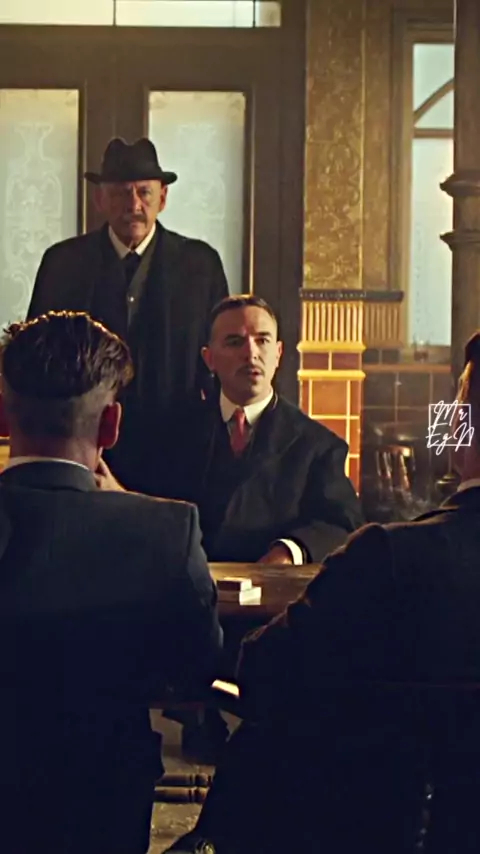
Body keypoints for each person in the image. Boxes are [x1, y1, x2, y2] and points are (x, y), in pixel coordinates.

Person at [167, 332, 480, 854]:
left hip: (385, 826)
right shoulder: (178, 434)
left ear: (461, 426)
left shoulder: (388, 557)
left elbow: (264, 670)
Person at [0, 311, 222, 854]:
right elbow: (196, 668)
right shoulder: (164, 531)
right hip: (100, 798)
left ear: (2, 416)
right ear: (110, 425)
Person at [27, 137, 229, 494]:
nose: (133, 205)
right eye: (121, 194)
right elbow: (35, 358)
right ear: (100, 199)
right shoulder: (63, 263)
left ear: (162, 198)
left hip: (176, 447)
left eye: (144, 193)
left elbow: (218, 362)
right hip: (83, 447)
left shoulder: (200, 265)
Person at [172, 295, 363, 564]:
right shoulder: (174, 433)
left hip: (275, 587)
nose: (251, 353)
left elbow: (343, 523)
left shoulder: (318, 445)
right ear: (209, 358)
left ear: (278, 354)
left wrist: (290, 550)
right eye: (234, 342)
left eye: (262, 341)